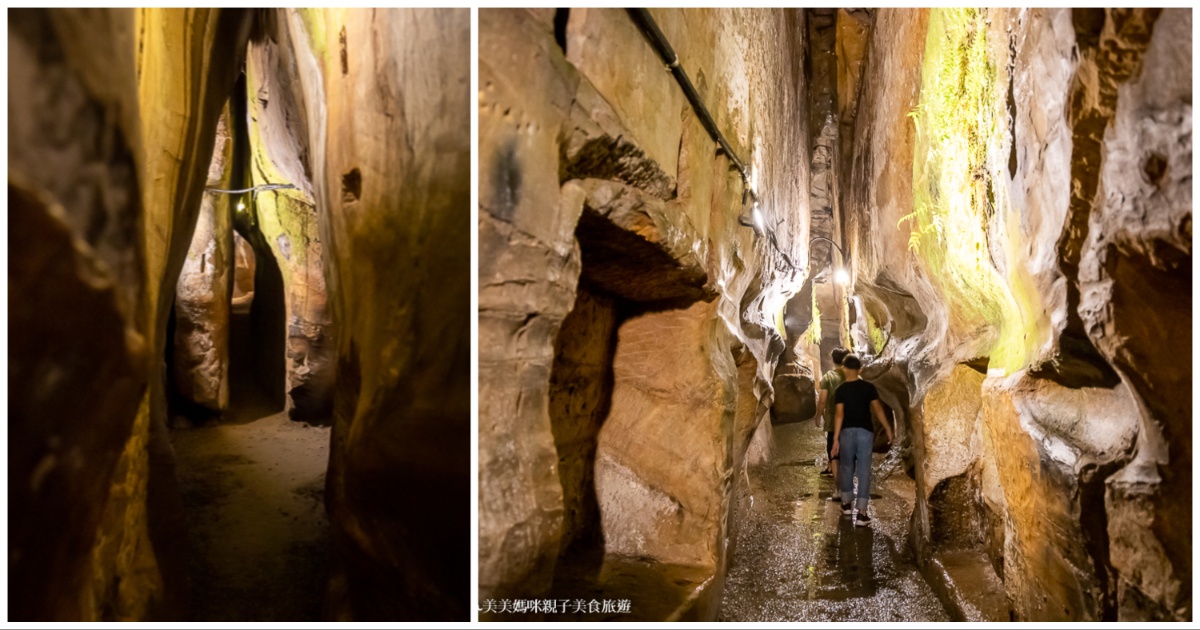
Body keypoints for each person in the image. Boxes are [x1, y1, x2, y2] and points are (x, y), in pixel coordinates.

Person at [831, 354, 894, 527]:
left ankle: (846, 505)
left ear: (845, 369)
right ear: (858, 369)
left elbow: (839, 415)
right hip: (865, 432)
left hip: (846, 433)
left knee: (846, 467)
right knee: (864, 470)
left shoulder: (841, 390)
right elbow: (878, 410)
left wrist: (835, 439)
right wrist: (888, 428)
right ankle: (862, 513)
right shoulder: (868, 387)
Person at [813, 347, 849, 496]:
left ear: (832, 360)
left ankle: (839, 488)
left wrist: (817, 416)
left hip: (834, 422)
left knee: (834, 453)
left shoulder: (828, 377)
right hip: (851, 422)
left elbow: (822, 401)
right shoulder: (854, 377)